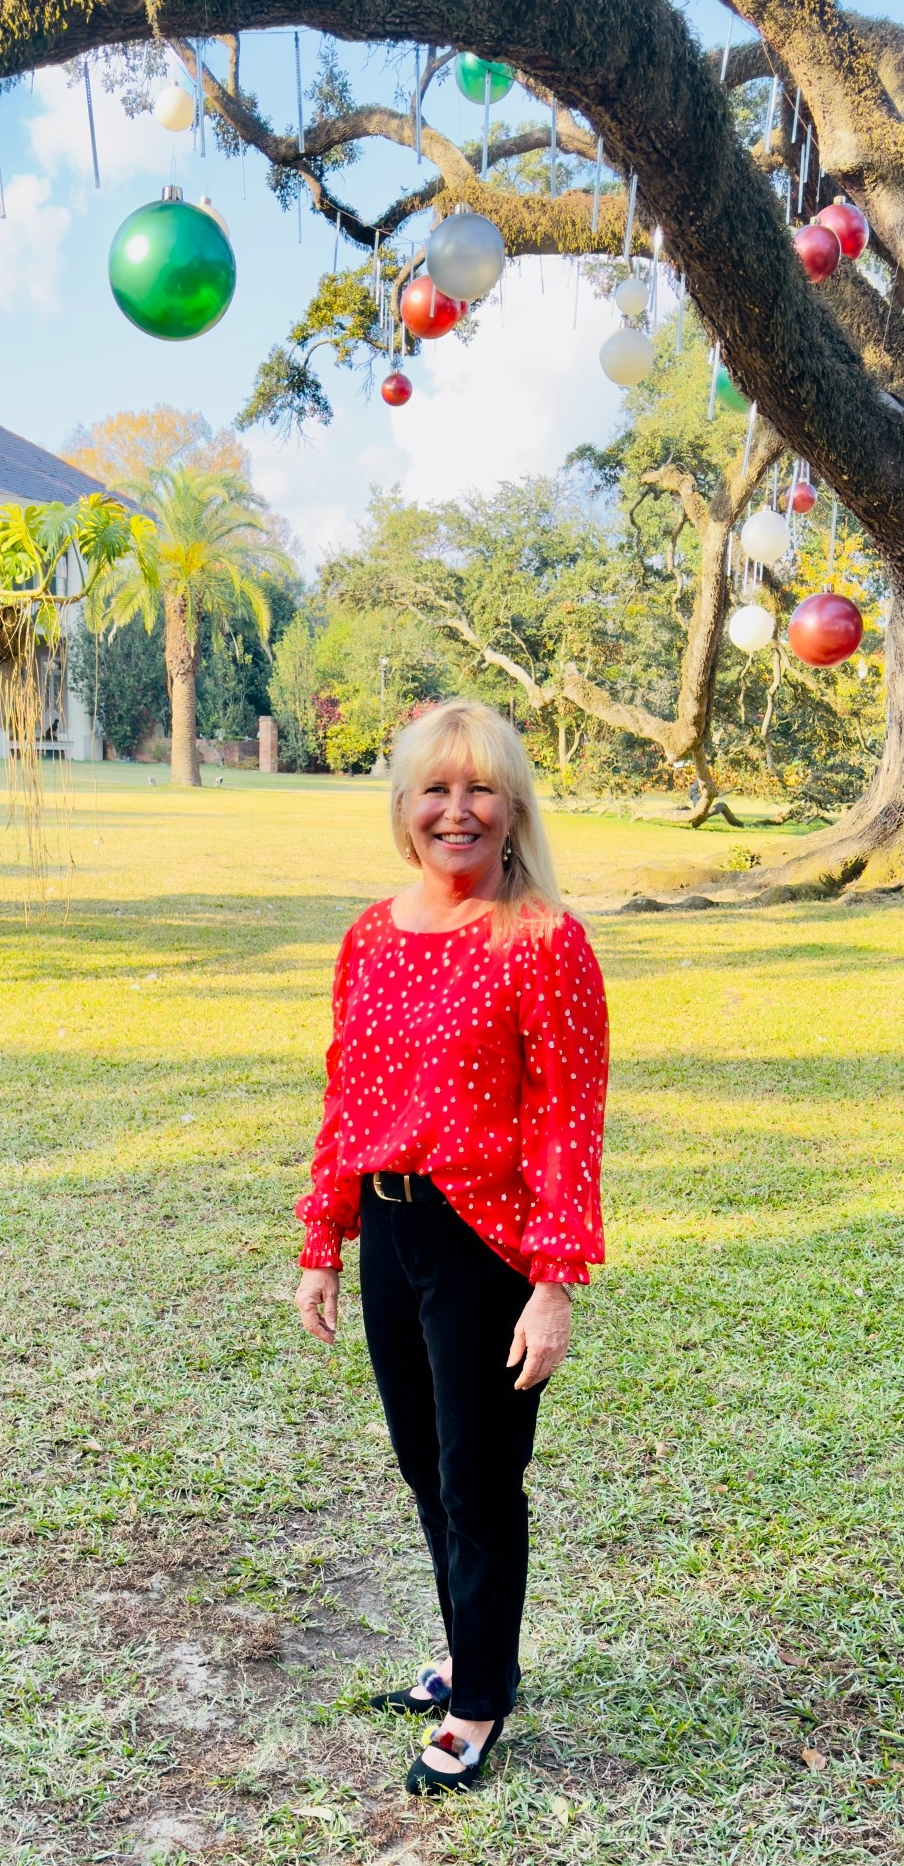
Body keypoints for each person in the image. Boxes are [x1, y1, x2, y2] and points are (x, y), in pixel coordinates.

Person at [294, 698, 608, 1796]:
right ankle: (471, 1652)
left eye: (479, 787)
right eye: (435, 787)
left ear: (513, 805)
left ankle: (477, 1701)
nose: (456, 809)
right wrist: (323, 1236)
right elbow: (348, 1087)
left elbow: (566, 1116)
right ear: (403, 806)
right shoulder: (371, 933)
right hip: (389, 1225)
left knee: (479, 1478)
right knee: (425, 1468)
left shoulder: (542, 939)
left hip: (486, 1242)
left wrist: (553, 1281)